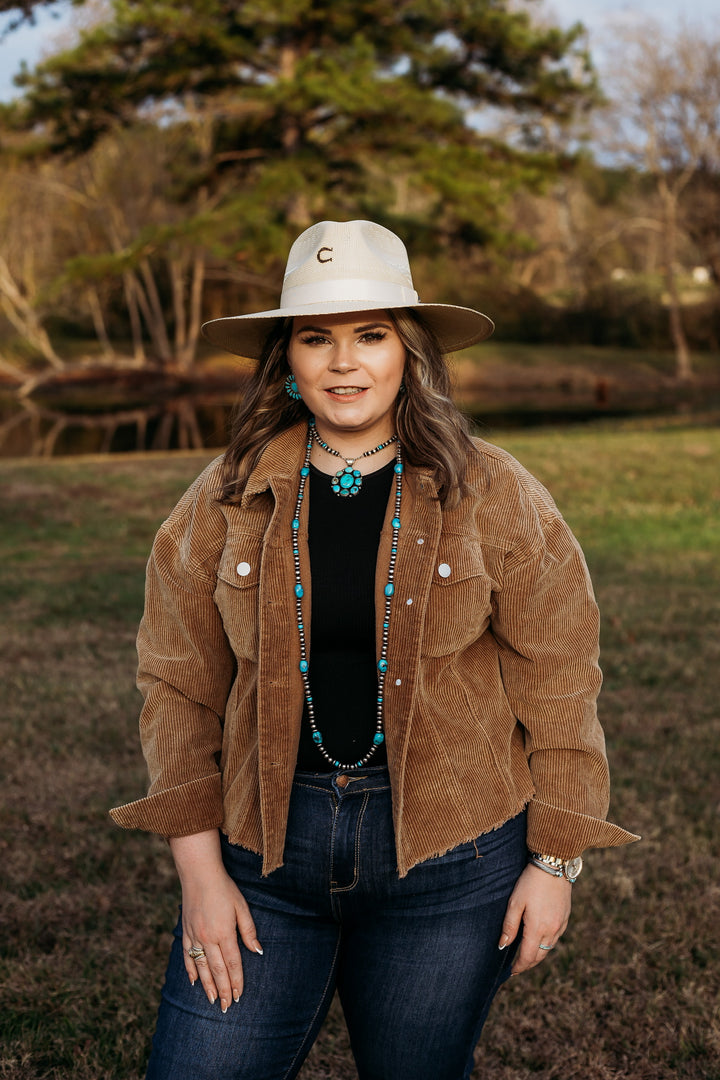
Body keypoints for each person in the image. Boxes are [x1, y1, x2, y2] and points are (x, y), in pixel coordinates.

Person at [110, 220, 638, 1080]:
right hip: (263, 856)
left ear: (409, 352)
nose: (344, 362)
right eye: (316, 337)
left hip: (451, 858)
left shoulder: (493, 491)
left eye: (371, 335)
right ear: (287, 356)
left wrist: (555, 861)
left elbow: (560, 678)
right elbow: (177, 686)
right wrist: (200, 880)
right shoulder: (225, 498)